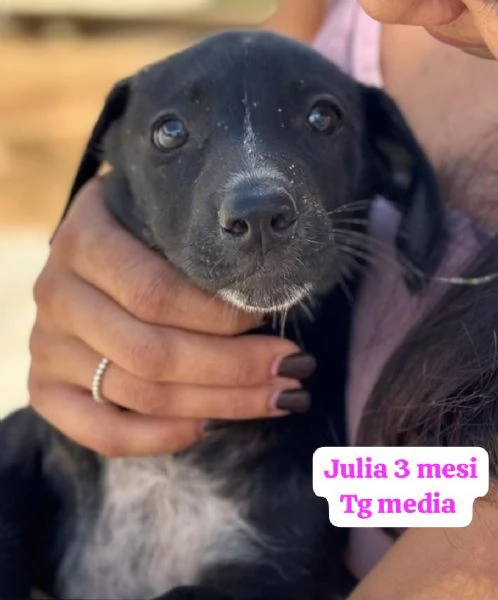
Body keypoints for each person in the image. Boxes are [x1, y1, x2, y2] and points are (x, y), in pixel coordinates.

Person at [26, 0, 498, 597]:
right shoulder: (334, 14)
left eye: (325, 120)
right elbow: (229, 88)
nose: (384, 6)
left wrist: (337, 484)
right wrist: (97, 261)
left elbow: (454, 501)